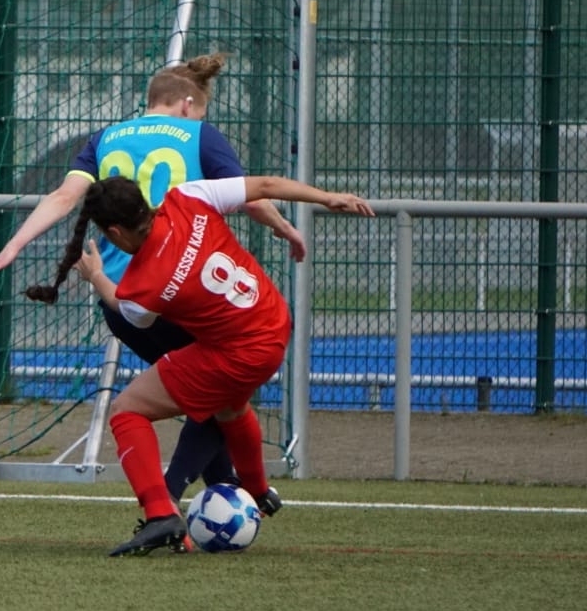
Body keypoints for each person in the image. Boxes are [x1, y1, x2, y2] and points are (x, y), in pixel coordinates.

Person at [0, 54, 306, 499]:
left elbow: (65, 197)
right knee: (221, 395)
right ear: (187, 104)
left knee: (207, 397)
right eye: (200, 111)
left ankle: (221, 491)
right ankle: (178, 496)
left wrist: (13, 247)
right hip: (182, 295)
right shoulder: (199, 135)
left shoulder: (105, 138)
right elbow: (250, 197)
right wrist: (286, 229)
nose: (199, 118)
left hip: (122, 301)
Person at [25, 173, 374, 556]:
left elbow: (120, 305)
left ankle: (161, 514)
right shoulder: (188, 197)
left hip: (239, 352)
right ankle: (258, 491)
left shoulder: (143, 286)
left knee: (127, 411)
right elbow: (266, 187)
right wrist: (327, 197)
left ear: (115, 233)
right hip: (273, 320)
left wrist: (96, 275)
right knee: (229, 406)